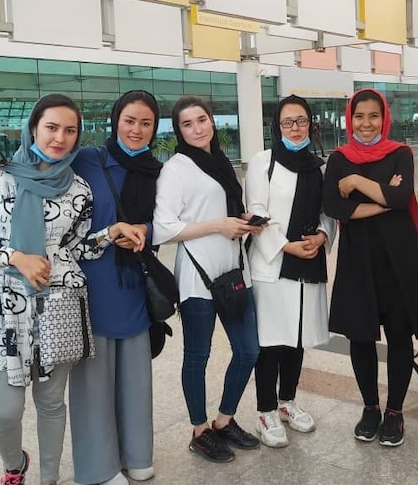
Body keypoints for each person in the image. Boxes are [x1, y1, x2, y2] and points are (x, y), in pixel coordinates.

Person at [0, 90, 163, 485]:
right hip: (2, 310)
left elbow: (77, 247)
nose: (59, 138)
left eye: (69, 131)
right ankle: (14, 464)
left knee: (52, 404)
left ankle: (49, 478)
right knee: (4, 411)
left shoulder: (78, 188)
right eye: (51, 128)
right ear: (34, 128)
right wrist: (15, 257)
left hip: (58, 305)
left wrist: (110, 233)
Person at [322, 88, 418, 448]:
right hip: (358, 258)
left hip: (398, 258)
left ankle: (394, 411)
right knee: (361, 337)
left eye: (373, 116)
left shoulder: (400, 153)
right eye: (358, 116)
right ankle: (371, 408)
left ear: (384, 118)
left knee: (397, 336)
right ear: (349, 119)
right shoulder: (339, 158)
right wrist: (382, 200)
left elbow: (401, 196)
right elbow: (334, 206)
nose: (365, 123)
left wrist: (359, 184)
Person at [153, 96, 262, 463]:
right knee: (198, 355)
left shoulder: (222, 163)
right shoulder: (177, 169)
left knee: (249, 349)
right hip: (197, 275)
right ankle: (199, 430)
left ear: (212, 122)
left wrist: (244, 220)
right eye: (188, 124)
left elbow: (222, 210)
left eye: (202, 120)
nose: (198, 128)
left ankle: (224, 420)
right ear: (178, 130)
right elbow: (163, 228)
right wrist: (218, 225)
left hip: (232, 269)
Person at [244, 95, 336, 448]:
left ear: (311, 125)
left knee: (296, 337)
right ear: (276, 126)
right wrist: (285, 245)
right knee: (270, 341)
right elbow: (256, 211)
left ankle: (288, 402)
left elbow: (329, 212)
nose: (295, 128)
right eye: (287, 122)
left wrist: (322, 235)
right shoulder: (262, 162)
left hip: (307, 262)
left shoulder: (320, 166)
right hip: (272, 264)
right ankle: (265, 410)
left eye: (301, 121)